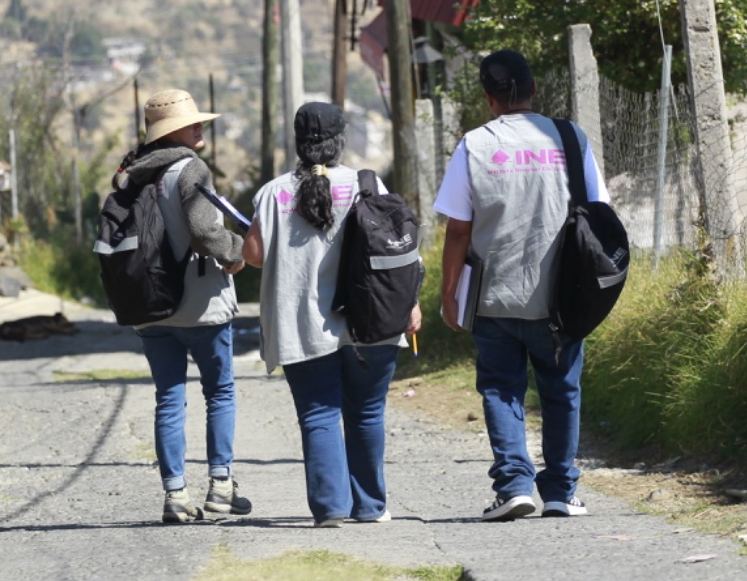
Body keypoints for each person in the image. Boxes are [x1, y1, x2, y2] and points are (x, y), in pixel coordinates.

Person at [435, 50, 609, 522]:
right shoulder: (570, 138)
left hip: (493, 296)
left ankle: (513, 486)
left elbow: (458, 230)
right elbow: (599, 210)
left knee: (500, 389)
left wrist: (449, 293)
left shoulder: (474, 145)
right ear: (534, 89)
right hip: (562, 298)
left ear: (488, 98)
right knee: (562, 390)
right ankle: (561, 491)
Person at [242, 102, 422, 527]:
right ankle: (370, 507)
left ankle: (329, 508)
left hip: (301, 324)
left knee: (318, 414)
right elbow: (395, 248)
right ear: (340, 140)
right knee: (367, 412)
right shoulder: (367, 183)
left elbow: (253, 255)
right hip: (373, 319)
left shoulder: (273, 193)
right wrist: (411, 302)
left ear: (298, 143)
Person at [114, 89, 250, 523]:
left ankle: (175, 494)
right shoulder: (190, 168)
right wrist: (236, 252)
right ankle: (221, 486)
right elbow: (204, 230)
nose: (200, 127)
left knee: (169, 398)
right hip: (201, 303)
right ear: (173, 131)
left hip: (150, 305)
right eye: (193, 123)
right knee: (220, 391)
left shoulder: (133, 175)